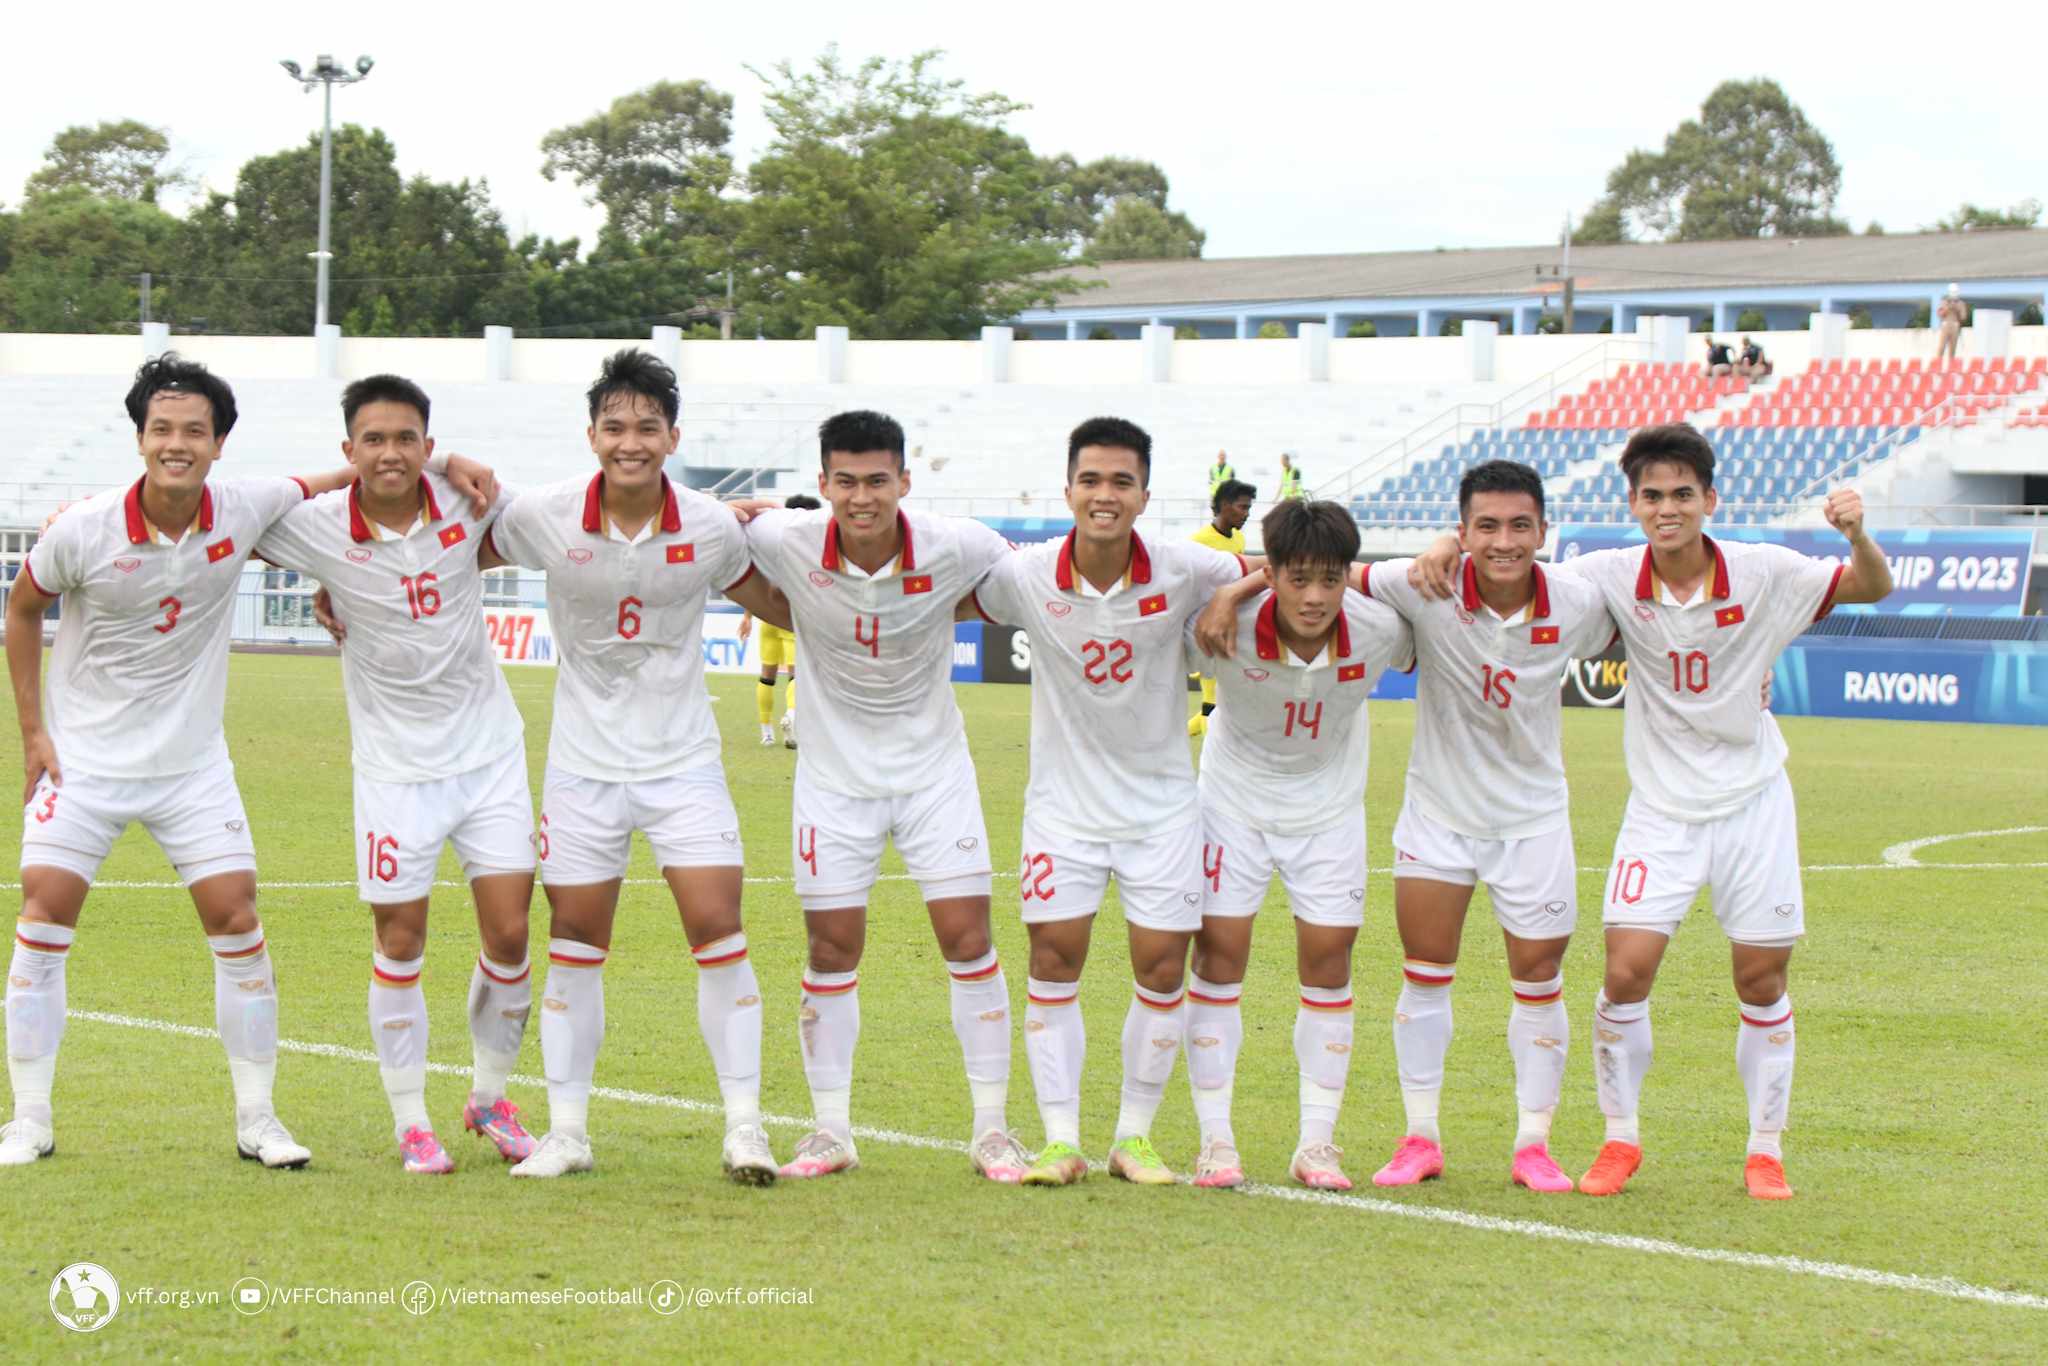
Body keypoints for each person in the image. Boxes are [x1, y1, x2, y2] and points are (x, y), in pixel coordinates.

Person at [1412, 423, 1892, 1200]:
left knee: (1760, 978)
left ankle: (1765, 1149)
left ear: (1709, 499)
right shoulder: (1605, 574)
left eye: (1681, 495)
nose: (1666, 509)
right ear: (1632, 503)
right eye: (1651, 496)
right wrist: (1445, 542)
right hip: (1662, 810)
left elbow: (1871, 585)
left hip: (1753, 802)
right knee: (1625, 974)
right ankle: (1618, 1139)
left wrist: (1858, 534)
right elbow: (1512, 558)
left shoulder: (1764, 571)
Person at [0, 354, 384, 1170]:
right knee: (42, 919)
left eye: (195, 431)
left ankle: (258, 1120)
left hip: (191, 767)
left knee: (238, 919)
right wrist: (35, 733)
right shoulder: (83, 528)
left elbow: (341, 474)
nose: (177, 443)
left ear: (218, 444)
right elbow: (23, 609)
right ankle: (29, 1119)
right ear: (141, 438)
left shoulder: (243, 508)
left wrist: (449, 459)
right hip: (84, 765)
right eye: (163, 429)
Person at [472, 349, 797, 1183]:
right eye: (615, 426)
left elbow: (782, 601)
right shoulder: (544, 514)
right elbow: (450, 554)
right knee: (576, 939)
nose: (631, 441)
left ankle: (745, 1128)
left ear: (672, 435)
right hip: (582, 769)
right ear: (591, 436)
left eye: (647, 427)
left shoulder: (711, 525)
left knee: (718, 929)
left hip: (683, 762)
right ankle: (569, 1132)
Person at [255, 374, 541, 1175]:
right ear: (348, 451)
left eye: (407, 438)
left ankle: (490, 1099)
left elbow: (577, 506)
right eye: (372, 440)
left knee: (512, 933)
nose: (391, 453)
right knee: (400, 937)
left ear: (427, 443)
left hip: (489, 756)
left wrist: (454, 460)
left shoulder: (468, 499)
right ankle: (412, 1120)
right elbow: (222, 511)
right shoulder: (313, 527)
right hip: (393, 770)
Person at [739, 411, 1026, 1183]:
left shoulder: (956, 543)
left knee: (969, 941)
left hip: (936, 775)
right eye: (845, 482)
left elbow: (1019, 580)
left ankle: (993, 1130)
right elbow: (718, 532)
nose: (861, 498)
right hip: (833, 783)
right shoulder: (784, 539)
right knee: (831, 949)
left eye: (876, 481)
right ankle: (830, 1130)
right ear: (823, 485)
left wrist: (948, 608)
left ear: (904, 481)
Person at [968, 416, 1252, 1186]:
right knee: (1053, 962)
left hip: (1162, 808)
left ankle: (1135, 1136)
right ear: (1068, 489)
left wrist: (1231, 599)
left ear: (1145, 494)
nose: (1105, 495)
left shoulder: (1186, 567)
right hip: (1061, 810)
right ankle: (1061, 1139)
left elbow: (1269, 569)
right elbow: (941, 589)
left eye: (1121, 481)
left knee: (1163, 971)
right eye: (1091, 479)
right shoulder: (1023, 574)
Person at [1353, 460, 1617, 1194]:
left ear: (1543, 530)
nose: (1505, 542)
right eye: (1487, 527)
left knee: (1538, 981)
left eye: (1520, 526)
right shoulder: (1424, 583)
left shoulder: (1579, 600)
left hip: (1533, 820)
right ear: (1463, 531)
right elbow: (1322, 573)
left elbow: (1653, 623)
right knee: (1424, 974)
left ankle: (1534, 1145)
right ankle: (1420, 1137)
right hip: (1438, 815)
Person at [1177, 501, 1412, 1191]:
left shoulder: (1379, 631)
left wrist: (1239, 583)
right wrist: (1229, 594)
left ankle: (1317, 1143)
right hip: (1232, 806)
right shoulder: (1224, 627)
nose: (1314, 597)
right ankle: (1215, 1140)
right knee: (1218, 958)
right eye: (1297, 578)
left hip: (1329, 811)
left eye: (1329, 580)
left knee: (1329, 961)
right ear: (1270, 574)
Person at [738, 493, 821, 748]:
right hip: (790, 620)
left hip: (766, 620)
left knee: (767, 676)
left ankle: (766, 733)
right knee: (796, 677)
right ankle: (792, 718)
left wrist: (748, 617)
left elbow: (756, 583)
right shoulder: (808, 548)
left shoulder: (769, 544)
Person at [1188, 479, 1256, 737]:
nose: (1247, 514)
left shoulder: (1238, 538)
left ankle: (1180, 735)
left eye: (1249, 508)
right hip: (1205, 629)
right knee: (1211, 702)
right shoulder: (1198, 541)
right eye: (1242, 507)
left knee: (1220, 701)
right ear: (1225, 506)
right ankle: (1211, 765)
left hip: (1232, 626)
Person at [1936, 285, 1969, 362]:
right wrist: (1947, 308)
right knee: (1941, 347)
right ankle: (1937, 363)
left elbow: (1963, 317)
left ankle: (1951, 365)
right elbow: (1939, 314)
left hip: (1955, 326)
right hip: (1945, 325)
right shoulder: (1944, 302)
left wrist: (1957, 309)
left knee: (1953, 348)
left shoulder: (1960, 303)